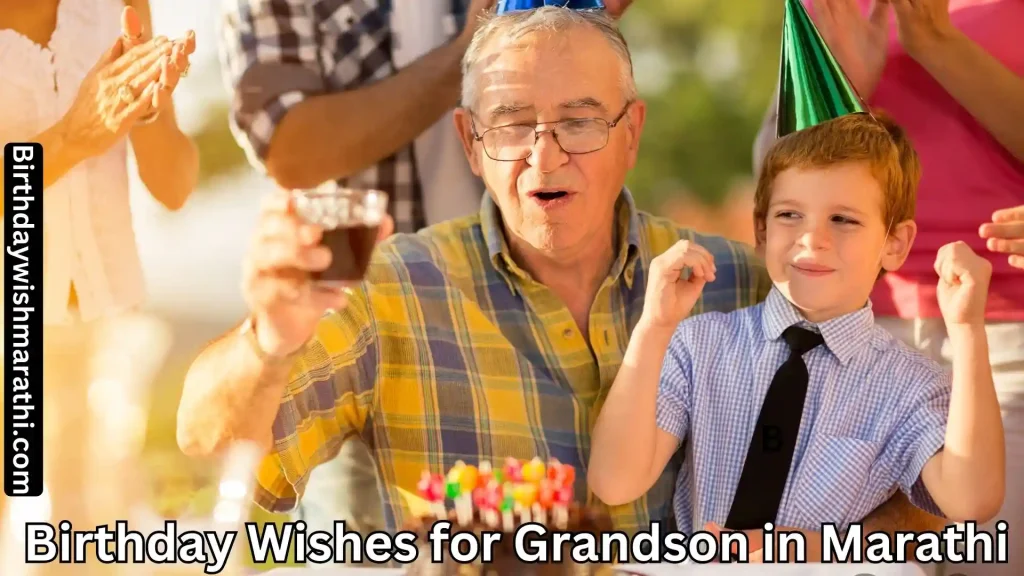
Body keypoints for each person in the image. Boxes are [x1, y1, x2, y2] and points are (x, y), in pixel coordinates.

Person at [180, 5, 941, 543]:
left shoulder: (741, 287)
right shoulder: (394, 291)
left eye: (579, 121)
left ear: (631, 132)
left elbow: (929, 497)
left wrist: (821, 552)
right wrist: (267, 340)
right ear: (472, 143)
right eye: (512, 124)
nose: (546, 158)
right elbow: (215, 450)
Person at [217, 0, 635, 534]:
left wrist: (576, 25)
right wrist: (474, 53)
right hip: (376, 335)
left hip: (540, 304)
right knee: (369, 552)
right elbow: (290, 146)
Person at [590, 112, 1005, 561]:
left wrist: (967, 332)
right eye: (790, 214)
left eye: (843, 220)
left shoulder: (912, 387)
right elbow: (615, 481)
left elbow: (971, 503)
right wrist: (654, 326)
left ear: (895, 244)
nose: (812, 239)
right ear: (762, 229)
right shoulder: (699, 345)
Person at [753, 1, 1024, 572]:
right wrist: (840, 92)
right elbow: (772, 176)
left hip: (1006, 342)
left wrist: (936, 43)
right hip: (856, 342)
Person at [0, 0, 197, 326]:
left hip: (115, 326)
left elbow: (174, 189)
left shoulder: (121, 6)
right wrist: (71, 139)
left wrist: (144, 109)